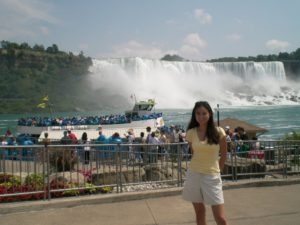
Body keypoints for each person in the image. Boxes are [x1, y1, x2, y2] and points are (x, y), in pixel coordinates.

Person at [182, 101, 228, 225]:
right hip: (194, 174)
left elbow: (224, 154)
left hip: (212, 176)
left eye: (204, 113)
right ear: (194, 115)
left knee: (220, 218)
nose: (201, 116)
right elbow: (194, 153)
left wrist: (219, 170)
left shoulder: (219, 132)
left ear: (210, 114)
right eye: (198, 113)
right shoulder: (191, 133)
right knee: (200, 213)